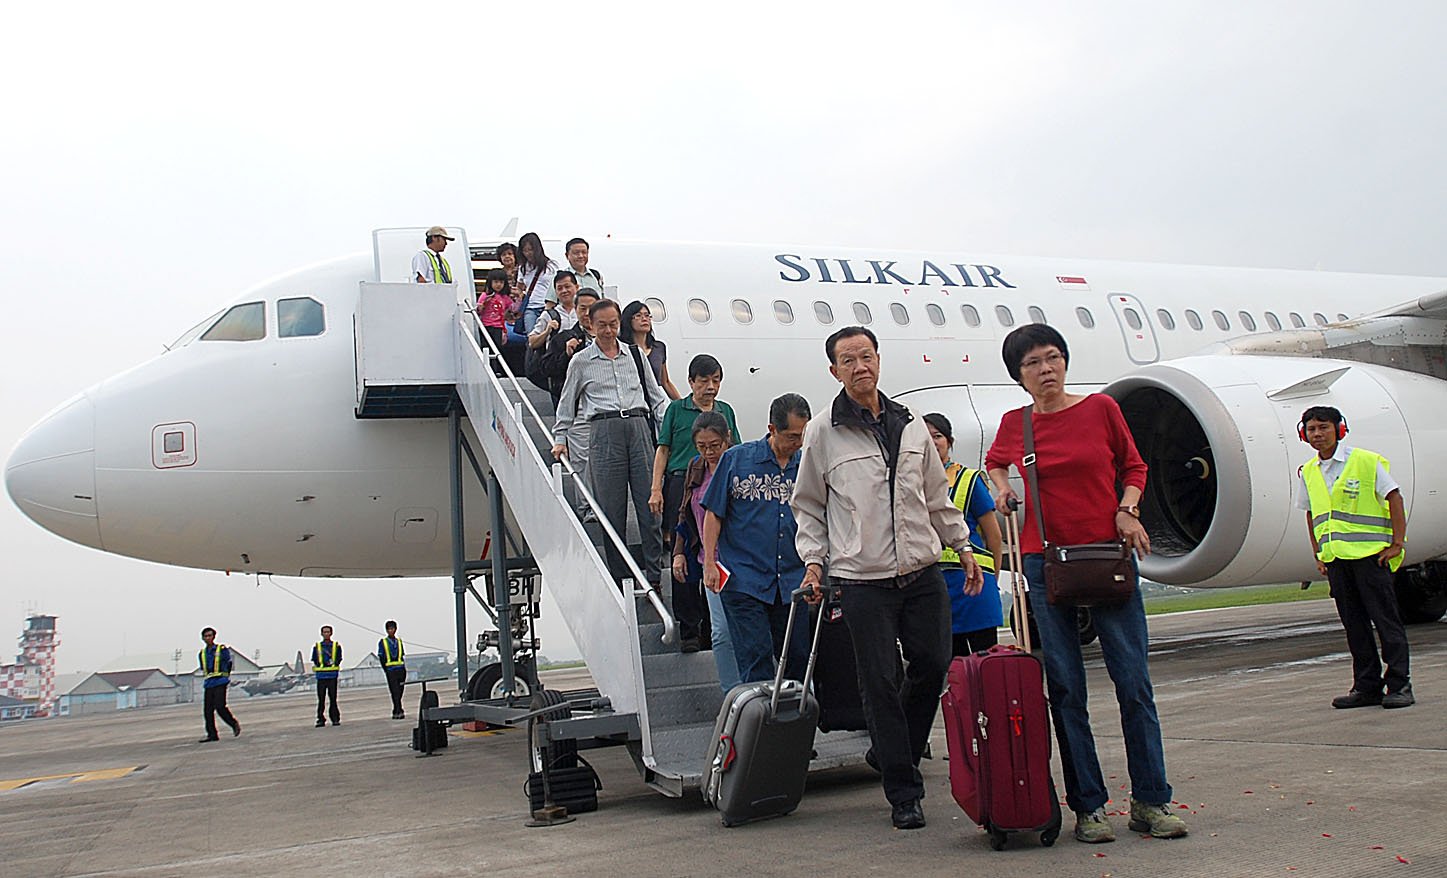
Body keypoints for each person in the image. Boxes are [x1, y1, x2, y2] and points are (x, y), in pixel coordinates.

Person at [984, 323, 1187, 843]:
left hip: (1108, 556)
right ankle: (1088, 807)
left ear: (1065, 362)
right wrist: (1005, 488)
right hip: (1046, 561)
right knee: (1067, 690)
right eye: (1033, 363)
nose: (1046, 369)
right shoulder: (1015, 424)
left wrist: (1127, 509)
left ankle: (1151, 800)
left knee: (1133, 684)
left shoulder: (1101, 410)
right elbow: (995, 465)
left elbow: (1135, 466)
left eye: (1053, 358)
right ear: (1019, 376)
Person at [793, 325, 981, 831]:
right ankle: (903, 791)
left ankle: (892, 749)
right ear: (834, 371)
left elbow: (936, 497)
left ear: (879, 360)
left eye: (866, 356)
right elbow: (808, 506)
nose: (860, 366)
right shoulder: (823, 432)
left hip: (921, 571)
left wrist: (962, 546)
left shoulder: (912, 423)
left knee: (933, 664)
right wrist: (815, 561)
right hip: (861, 578)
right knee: (879, 680)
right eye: (848, 360)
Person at [1295, 405, 1413, 709]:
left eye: (1323, 427)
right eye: (1311, 429)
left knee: (1386, 622)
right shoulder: (1309, 472)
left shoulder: (1364, 461)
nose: (1317, 434)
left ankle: (1400, 685)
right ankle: (1367, 686)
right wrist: (1317, 552)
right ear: (1303, 434)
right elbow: (1312, 514)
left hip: (1371, 558)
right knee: (1355, 627)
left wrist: (1397, 543)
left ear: (1339, 429)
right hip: (1336, 560)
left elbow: (1393, 497)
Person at [551, 299, 670, 586]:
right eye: (602, 325)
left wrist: (668, 431)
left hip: (638, 426)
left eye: (613, 324)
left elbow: (655, 396)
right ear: (590, 326)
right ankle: (622, 579)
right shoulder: (581, 361)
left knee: (649, 506)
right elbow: (567, 403)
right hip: (604, 431)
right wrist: (560, 438)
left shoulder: (634, 354)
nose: (608, 330)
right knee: (611, 510)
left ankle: (653, 576)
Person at [701, 394, 812, 686]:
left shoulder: (807, 465)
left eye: (803, 435)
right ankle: (761, 729)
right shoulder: (736, 460)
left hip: (792, 580)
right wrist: (709, 563)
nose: (798, 443)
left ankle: (794, 727)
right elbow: (713, 514)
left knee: (797, 658)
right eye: (791, 436)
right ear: (772, 429)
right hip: (744, 579)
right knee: (756, 658)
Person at [651, 354, 740, 645]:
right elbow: (663, 449)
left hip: (720, 483)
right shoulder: (676, 410)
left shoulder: (725, 411)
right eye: (704, 381)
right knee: (687, 558)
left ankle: (711, 629)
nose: (711, 387)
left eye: (716, 381)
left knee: (717, 556)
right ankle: (689, 629)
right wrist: (656, 488)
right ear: (691, 382)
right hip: (682, 483)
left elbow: (737, 451)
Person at [923, 412, 1004, 655]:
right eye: (926, 437)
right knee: (953, 667)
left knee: (985, 663)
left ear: (949, 441)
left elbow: (994, 537)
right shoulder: (913, 482)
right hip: (938, 590)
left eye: (937, 436)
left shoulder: (969, 480)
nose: (933, 442)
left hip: (974, 589)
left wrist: (993, 577)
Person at [670, 412, 740, 689]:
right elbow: (684, 513)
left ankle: (755, 686)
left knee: (744, 630)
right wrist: (678, 551)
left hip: (741, 562)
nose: (709, 452)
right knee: (720, 632)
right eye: (702, 446)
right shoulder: (695, 467)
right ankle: (732, 693)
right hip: (710, 564)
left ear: (727, 440)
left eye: (715, 445)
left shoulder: (739, 465)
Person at [544, 287, 601, 416]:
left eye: (591, 308)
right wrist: (566, 355)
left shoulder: (612, 338)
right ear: (575, 309)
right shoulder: (563, 338)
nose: (587, 313)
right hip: (577, 407)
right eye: (582, 308)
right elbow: (547, 369)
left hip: (606, 406)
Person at [620, 300, 681, 400]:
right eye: (638, 316)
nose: (644, 319)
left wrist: (681, 405)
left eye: (647, 315)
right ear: (628, 320)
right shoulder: (623, 349)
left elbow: (665, 382)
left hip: (656, 401)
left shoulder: (659, 348)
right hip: (632, 402)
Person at [197, 627, 240, 742]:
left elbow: (229, 662)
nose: (208, 638)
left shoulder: (221, 649)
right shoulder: (202, 653)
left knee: (220, 706)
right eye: (205, 636)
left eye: (210, 636)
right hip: (209, 684)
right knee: (208, 711)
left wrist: (226, 676)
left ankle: (233, 724)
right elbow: (203, 668)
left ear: (214, 637)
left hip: (220, 681)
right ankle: (212, 735)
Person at [516, 232, 557, 334]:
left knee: (548, 336)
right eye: (525, 251)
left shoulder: (551, 266)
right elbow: (519, 287)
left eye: (530, 250)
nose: (528, 253)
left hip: (547, 306)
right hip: (530, 307)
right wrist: (520, 294)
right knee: (532, 336)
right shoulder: (523, 268)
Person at [476, 269, 514, 359]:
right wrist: (483, 304)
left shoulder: (505, 298)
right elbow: (478, 310)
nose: (498, 285)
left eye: (501, 282)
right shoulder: (485, 295)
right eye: (496, 282)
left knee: (497, 349)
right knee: (486, 348)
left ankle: (496, 369)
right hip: (486, 326)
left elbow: (514, 308)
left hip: (498, 327)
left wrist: (520, 298)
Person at [311, 626, 343, 727]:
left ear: (331, 633)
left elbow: (338, 659)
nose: (326, 634)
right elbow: (315, 660)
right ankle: (320, 718)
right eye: (324, 632)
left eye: (328, 632)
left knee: (333, 698)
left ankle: (335, 718)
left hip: (332, 676)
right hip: (321, 676)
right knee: (321, 699)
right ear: (321, 634)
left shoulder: (336, 646)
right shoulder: (317, 647)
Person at [378, 620, 407, 720]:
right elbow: (381, 657)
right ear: (386, 630)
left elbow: (402, 655)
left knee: (400, 691)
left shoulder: (399, 641)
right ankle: (398, 710)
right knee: (394, 691)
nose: (391, 631)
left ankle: (397, 709)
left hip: (400, 669)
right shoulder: (383, 642)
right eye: (389, 629)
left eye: (392, 629)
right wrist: (385, 669)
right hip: (390, 670)